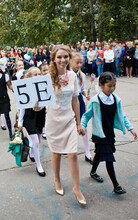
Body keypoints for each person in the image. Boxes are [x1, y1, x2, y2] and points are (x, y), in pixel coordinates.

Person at [81, 72, 138, 194]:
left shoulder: (115, 99)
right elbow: (86, 115)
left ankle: (93, 172)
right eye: (109, 86)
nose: (112, 88)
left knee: (99, 153)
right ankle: (116, 186)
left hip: (110, 134)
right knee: (109, 159)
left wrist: (130, 128)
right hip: (99, 135)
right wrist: (82, 125)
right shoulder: (95, 101)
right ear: (101, 85)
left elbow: (122, 115)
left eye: (114, 85)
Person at [46, 45, 86, 205]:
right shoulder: (47, 77)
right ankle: (57, 180)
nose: (63, 60)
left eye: (65, 57)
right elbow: (41, 102)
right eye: (59, 57)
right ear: (54, 59)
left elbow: (75, 99)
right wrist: (36, 106)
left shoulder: (73, 76)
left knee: (73, 154)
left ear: (69, 58)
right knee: (56, 153)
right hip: (54, 121)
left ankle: (77, 188)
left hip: (69, 120)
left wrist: (79, 122)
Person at [18, 67, 46, 177]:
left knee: (38, 139)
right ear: (29, 77)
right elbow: (22, 107)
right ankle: (39, 165)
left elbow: (47, 102)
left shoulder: (43, 86)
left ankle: (31, 152)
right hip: (29, 117)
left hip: (40, 115)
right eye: (35, 74)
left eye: (39, 74)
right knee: (36, 141)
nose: (38, 76)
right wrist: (20, 121)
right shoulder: (25, 88)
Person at [71, 53, 93, 164]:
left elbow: (82, 88)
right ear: (71, 62)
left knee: (83, 126)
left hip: (79, 100)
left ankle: (87, 153)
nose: (79, 65)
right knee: (70, 126)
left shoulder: (82, 75)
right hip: (69, 101)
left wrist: (85, 94)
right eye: (77, 62)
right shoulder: (67, 74)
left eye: (81, 63)